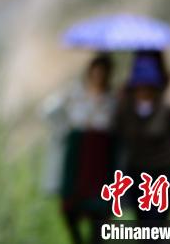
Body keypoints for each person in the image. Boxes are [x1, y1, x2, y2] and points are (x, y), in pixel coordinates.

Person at [43, 53, 117, 244]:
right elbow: (50, 111)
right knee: (71, 209)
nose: (98, 76)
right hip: (78, 157)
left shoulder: (112, 100)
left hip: (100, 159)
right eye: (96, 72)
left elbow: (116, 129)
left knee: (99, 212)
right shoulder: (75, 94)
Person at [114, 50, 170, 222]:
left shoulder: (167, 108)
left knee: (156, 220)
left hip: (164, 173)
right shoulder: (126, 108)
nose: (144, 91)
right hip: (137, 173)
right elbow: (119, 136)